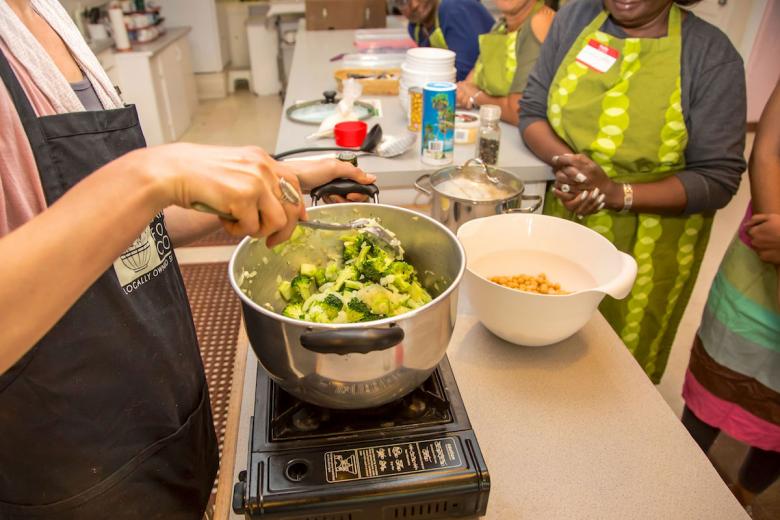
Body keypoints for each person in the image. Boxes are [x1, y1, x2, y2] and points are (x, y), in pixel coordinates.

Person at [0, 1, 374, 518]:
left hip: (158, 403)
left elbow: (126, 223)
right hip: (68, 458)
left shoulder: (45, 12)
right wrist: (148, 174)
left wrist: (281, 181)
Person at [519, 0, 747, 383]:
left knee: (616, 373)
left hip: (652, 244)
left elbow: (718, 178)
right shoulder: (577, 17)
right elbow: (532, 111)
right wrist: (574, 168)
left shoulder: (710, 54)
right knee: (547, 352)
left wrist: (614, 192)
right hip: (568, 219)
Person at [681, 79, 780, 511]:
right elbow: (769, 150)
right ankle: (681, 470)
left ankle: (744, 493)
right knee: (720, 368)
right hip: (765, 246)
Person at [455, 0, 556, 125]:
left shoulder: (541, 22)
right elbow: (467, 86)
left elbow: (520, 111)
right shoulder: (501, 26)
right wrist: (467, 93)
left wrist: (477, 97)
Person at [397, 0, 495, 81]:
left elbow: (465, 73)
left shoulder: (454, 7)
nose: (414, 5)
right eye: (403, 2)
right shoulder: (415, 28)